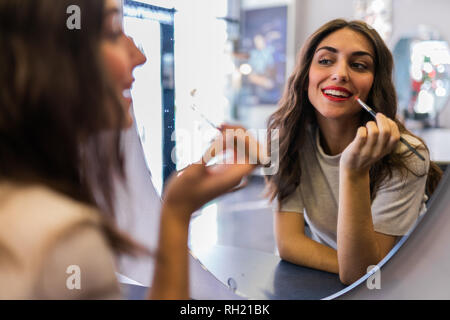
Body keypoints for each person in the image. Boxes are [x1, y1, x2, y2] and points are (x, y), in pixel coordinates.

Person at [0, 0, 258, 299]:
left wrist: (179, 205)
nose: (140, 55)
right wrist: (176, 216)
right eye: (112, 32)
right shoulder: (59, 241)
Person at [266, 19, 442, 285]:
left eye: (359, 65)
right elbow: (288, 244)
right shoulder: (284, 141)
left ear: (374, 85)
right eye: (325, 61)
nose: (340, 74)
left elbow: (365, 276)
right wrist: (351, 265)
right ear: (305, 78)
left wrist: (353, 172)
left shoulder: (406, 156)